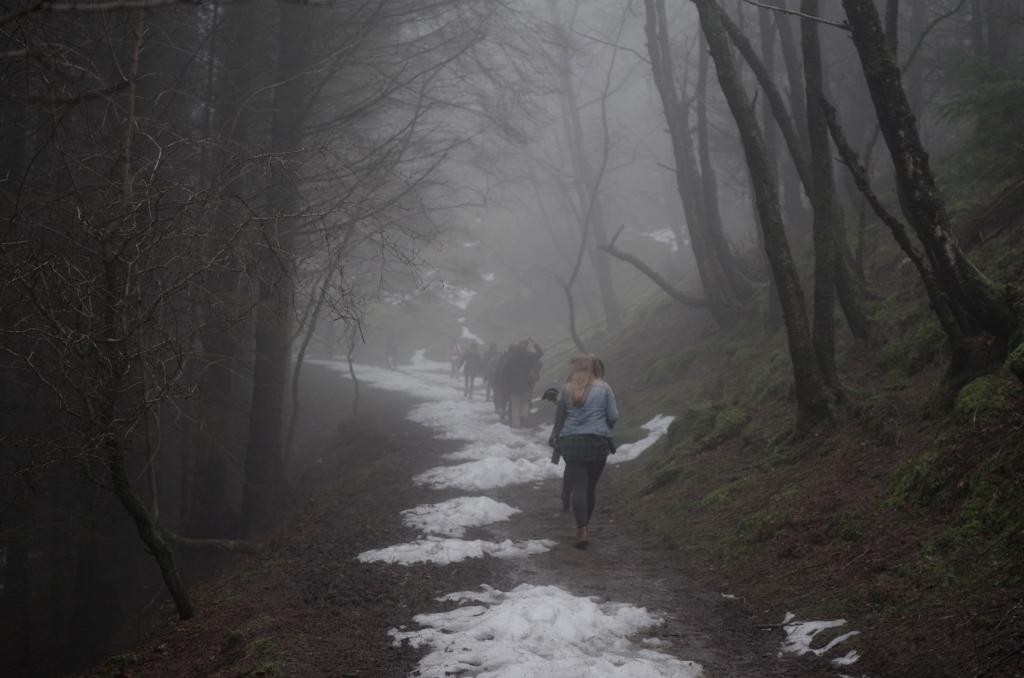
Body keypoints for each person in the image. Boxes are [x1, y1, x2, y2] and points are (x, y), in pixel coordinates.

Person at [548, 354, 618, 547]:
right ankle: (586, 524)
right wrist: (604, 427)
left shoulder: (566, 389)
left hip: (572, 442)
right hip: (598, 443)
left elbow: (559, 417)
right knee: (590, 488)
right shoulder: (605, 388)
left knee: (578, 486)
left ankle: (582, 530)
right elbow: (613, 416)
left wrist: (556, 437)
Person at [505, 342, 534, 428]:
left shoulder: (509, 361)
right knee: (525, 403)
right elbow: (530, 374)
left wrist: (506, 387)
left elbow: (506, 375)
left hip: (513, 388)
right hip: (525, 387)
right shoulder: (527, 361)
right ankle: (524, 415)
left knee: (515, 406)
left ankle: (516, 425)